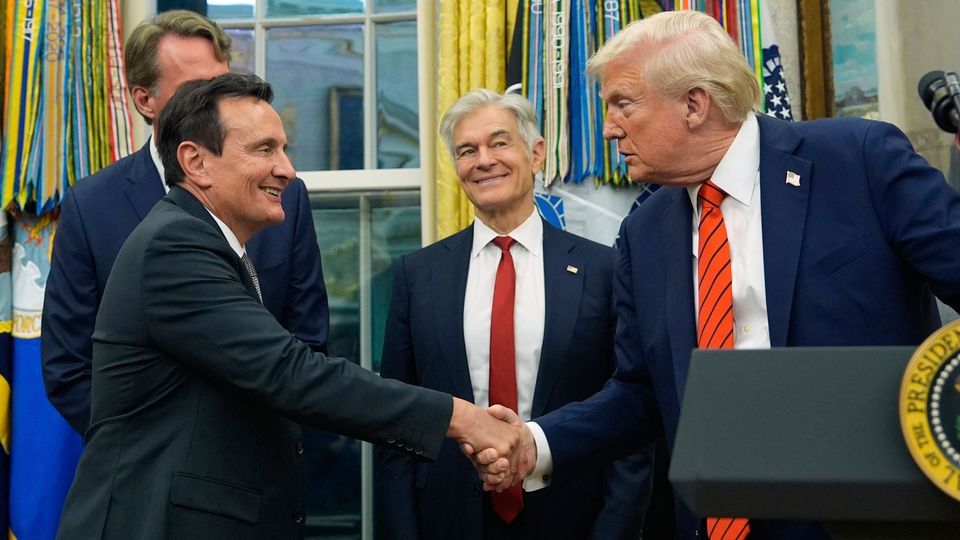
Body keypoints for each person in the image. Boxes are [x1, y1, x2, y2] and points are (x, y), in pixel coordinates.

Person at [473, 10, 960, 540]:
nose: (608, 127)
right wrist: (536, 443)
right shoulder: (644, 232)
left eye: (623, 104)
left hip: (868, 516)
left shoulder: (857, 160)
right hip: (717, 518)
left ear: (694, 104)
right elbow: (642, 391)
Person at [55, 72, 519, 540]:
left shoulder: (206, 243)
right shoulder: (174, 246)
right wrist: (462, 419)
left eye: (283, 149)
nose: (287, 169)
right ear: (196, 162)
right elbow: (289, 372)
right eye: (264, 150)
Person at [374, 89, 650, 540]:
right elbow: (397, 423)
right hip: (449, 519)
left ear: (536, 154)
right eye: (467, 150)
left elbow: (631, 414)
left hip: (573, 516)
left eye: (499, 143)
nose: (484, 160)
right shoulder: (417, 275)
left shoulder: (604, 269)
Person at [41, 10, 330, 435]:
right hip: (147, 465)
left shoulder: (283, 196)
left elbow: (309, 340)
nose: (218, 103)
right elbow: (70, 369)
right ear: (145, 100)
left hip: (266, 455)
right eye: (198, 89)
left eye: (222, 84)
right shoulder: (91, 206)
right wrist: (158, 454)